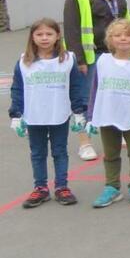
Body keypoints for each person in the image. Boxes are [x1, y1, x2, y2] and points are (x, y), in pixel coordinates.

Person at [9, 19, 88, 208]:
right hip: (34, 115)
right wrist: (16, 114)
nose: (44, 38)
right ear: (32, 37)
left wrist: (79, 112)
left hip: (58, 113)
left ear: (57, 36)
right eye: (39, 34)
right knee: (37, 153)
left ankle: (62, 186)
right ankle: (41, 188)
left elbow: (76, 87)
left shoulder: (68, 59)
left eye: (49, 34)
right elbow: (17, 89)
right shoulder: (23, 61)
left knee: (60, 151)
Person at [63, 0, 130, 162]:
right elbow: (72, 29)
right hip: (91, 55)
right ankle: (85, 143)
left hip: (116, 53)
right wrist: (80, 60)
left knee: (115, 93)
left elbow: (126, 22)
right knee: (85, 100)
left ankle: (117, 133)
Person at [86, 19, 130, 208]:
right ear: (110, 39)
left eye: (128, 35)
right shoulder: (103, 61)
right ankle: (112, 187)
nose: (123, 38)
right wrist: (91, 116)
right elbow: (94, 90)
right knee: (110, 154)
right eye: (118, 35)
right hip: (107, 115)